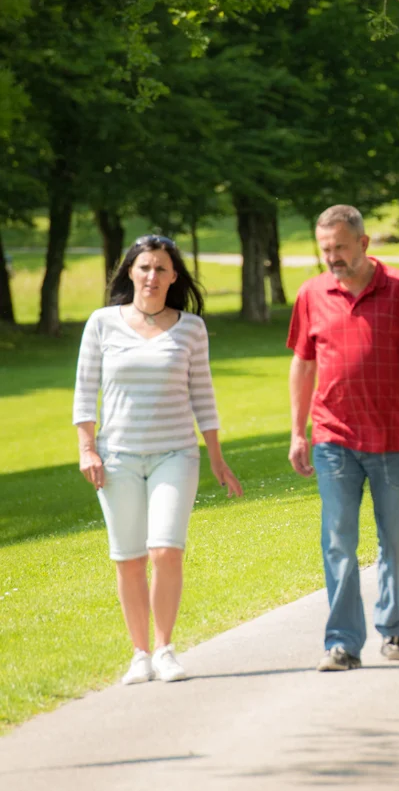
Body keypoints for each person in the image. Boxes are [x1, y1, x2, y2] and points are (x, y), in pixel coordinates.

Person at [73, 235, 243, 685]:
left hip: (176, 453)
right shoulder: (103, 323)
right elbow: (84, 389)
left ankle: (165, 648)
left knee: (165, 550)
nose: (152, 276)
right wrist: (86, 448)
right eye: (144, 267)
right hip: (118, 457)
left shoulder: (191, 328)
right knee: (128, 559)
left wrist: (217, 458)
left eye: (161, 269)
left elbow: (203, 395)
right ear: (130, 272)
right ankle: (140, 654)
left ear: (174, 277)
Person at [287, 204, 399, 672]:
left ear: (364, 244)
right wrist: (297, 431)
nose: (332, 257)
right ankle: (343, 642)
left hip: (395, 438)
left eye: (340, 248)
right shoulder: (312, 294)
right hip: (333, 437)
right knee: (338, 539)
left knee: (395, 539)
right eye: (325, 249)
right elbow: (303, 364)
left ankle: (393, 625)